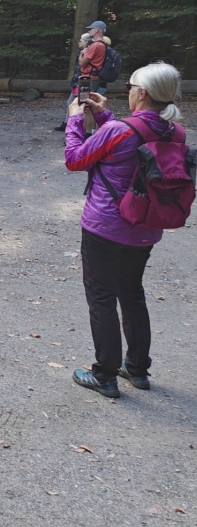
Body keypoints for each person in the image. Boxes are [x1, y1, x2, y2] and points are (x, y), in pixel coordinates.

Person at [64, 62, 184, 398]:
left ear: (142, 93)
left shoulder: (120, 130)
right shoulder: (175, 131)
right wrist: (105, 117)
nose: (128, 90)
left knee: (101, 297)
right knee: (131, 293)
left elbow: (75, 159)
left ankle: (104, 375)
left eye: (131, 86)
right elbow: (132, 145)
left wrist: (76, 118)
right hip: (146, 226)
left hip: (105, 226)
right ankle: (137, 368)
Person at [55, 33, 93, 132]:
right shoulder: (84, 51)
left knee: (82, 107)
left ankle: (79, 129)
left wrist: (81, 54)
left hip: (84, 82)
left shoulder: (87, 52)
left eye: (80, 40)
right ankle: (67, 124)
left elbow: (82, 64)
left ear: (86, 42)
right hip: (79, 82)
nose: (79, 42)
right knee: (70, 103)